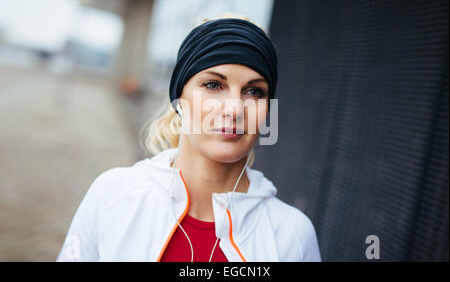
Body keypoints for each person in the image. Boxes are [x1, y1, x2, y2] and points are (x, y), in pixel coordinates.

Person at [56, 14, 321, 262]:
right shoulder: (113, 195)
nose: (234, 109)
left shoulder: (292, 235)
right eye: (213, 85)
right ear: (179, 98)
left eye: (254, 91)